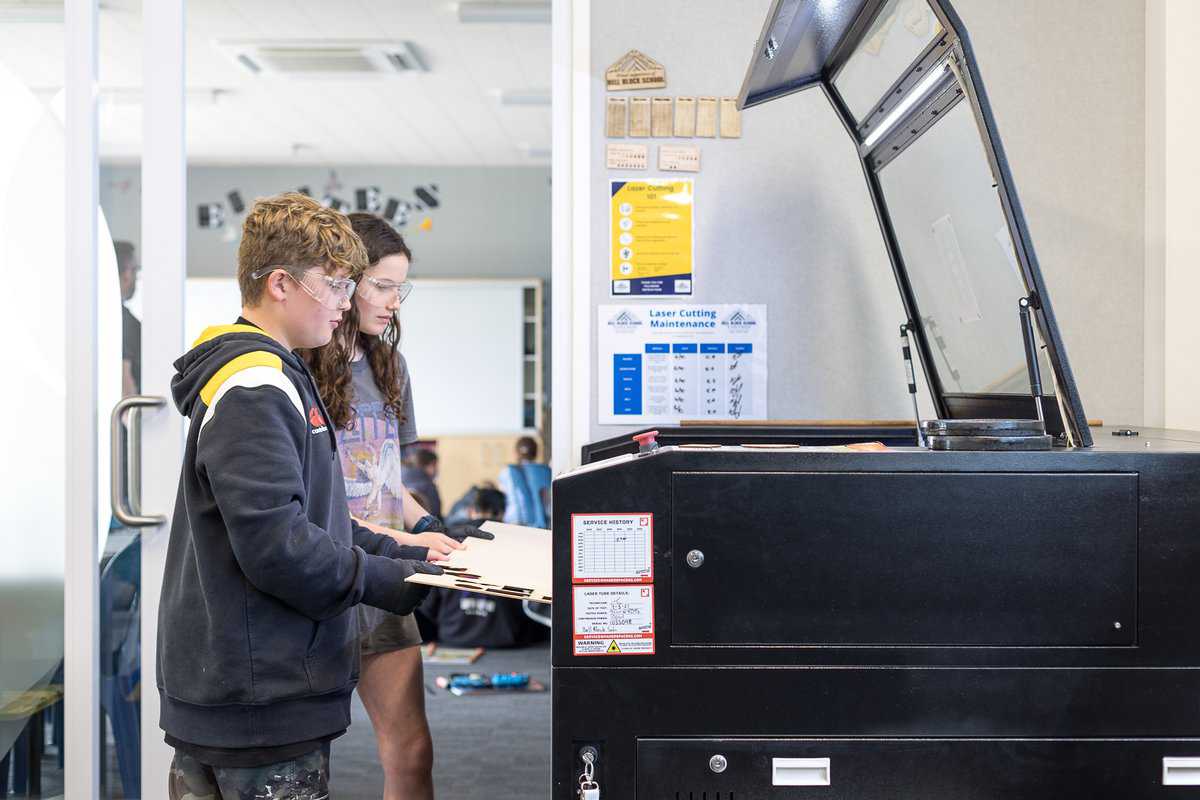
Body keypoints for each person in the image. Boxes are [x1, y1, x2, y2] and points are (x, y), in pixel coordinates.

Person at [158, 193, 441, 799]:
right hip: (258, 691)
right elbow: (279, 548)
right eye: (336, 285)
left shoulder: (277, 372)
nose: (346, 302)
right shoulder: (256, 384)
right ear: (282, 284)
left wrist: (411, 559)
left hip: (260, 682)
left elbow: (319, 516)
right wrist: (386, 579)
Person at [304, 212, 488, 800]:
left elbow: (385, 483)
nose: (393, 302)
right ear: (346, 280)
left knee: (411, 751)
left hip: (383, 582)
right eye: (383, 286)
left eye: (399, 289)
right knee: (301, 764)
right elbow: (313, 502)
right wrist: (410, 544)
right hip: (318, 580)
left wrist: (431, 528)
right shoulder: (298, 368)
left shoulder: (390, 366)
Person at [416, 488, 549, 648]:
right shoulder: (519, 543)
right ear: (502, 513)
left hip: (453, 638)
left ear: (472, 511)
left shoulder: (449, 541)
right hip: (509, 642)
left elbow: (427, 600)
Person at [498, 435, 552, 528]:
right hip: (541, 522)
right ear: (535, 453)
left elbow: (503, 495)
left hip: (513, 521)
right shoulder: (545, 472)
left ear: (516, 452)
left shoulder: (506, 473)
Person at [114, 240, 141, 396]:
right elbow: (126, 386)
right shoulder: (125, 322)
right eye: (136, 270)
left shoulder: (100, 319)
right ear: (126, 274)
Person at [401, 448, 442, 520]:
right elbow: (436, 513)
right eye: (435, 466)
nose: (437, 470)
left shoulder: (401, 479)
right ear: (431, 464)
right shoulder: (429, 487)